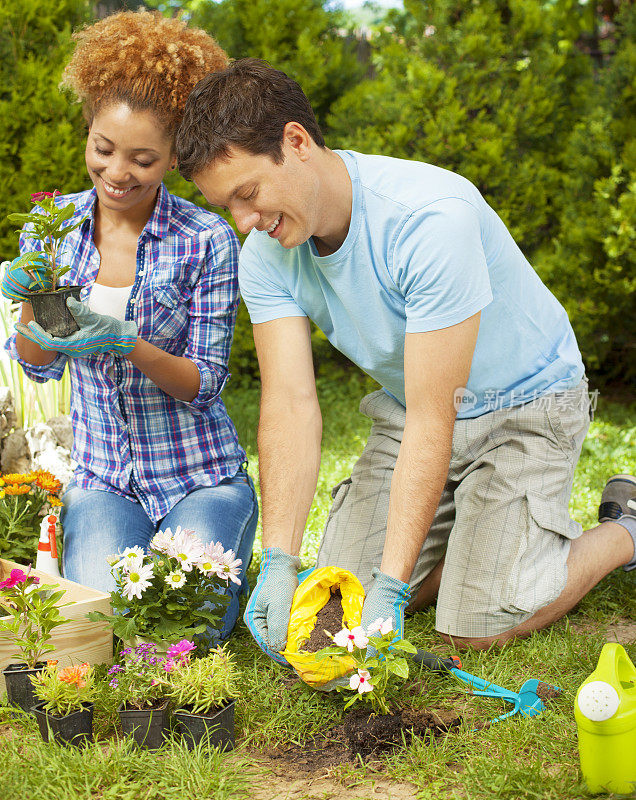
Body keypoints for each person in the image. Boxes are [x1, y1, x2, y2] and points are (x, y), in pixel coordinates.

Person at [175, 58, 636, 662]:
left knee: (478, 624)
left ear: (296, 142)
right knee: (340, 603)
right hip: (411, 407)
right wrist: (281, 559)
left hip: (523, 403)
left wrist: (395, 583)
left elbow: (434, 416)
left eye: (249, 194)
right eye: (226, 206)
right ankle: (476, 539)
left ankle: (625, 529)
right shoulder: (266, 254)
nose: (246, 222)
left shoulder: (428, 221)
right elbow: (289, 404)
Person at [1, 12, 258, 641]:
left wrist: (125, 341)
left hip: (198, 475)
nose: (119, 173)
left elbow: (205, 384)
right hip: (103, 481)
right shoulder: (51, 229)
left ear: (175, 155)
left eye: (143, 158)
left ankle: (226, 554)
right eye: (104, 149)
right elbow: (37, 363)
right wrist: (29, 304)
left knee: (184, 630)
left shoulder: (206, 239)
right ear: (87, 133)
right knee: (107, 630)